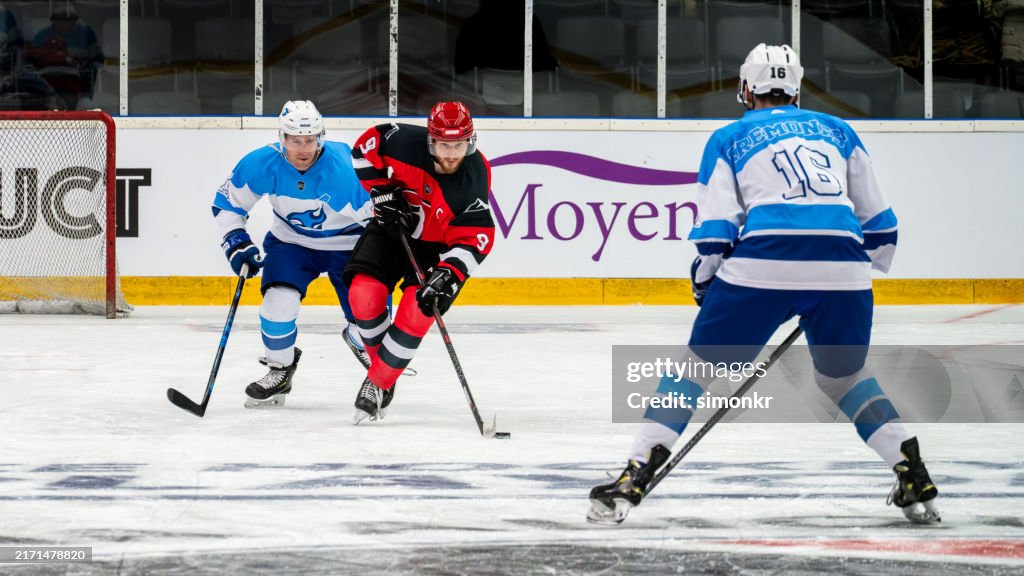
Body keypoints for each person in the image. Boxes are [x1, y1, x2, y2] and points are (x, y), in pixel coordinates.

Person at [587, 44, 940, 526]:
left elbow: (715, 231)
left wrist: (706, 280)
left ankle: (635, 473)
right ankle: (911, 469)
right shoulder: (839, 130)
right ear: (795, 87)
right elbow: (880, 224)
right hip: (845, 271)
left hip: (764, 266)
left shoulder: (730, 135)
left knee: (693, 369)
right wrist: (847, 270)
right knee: (844, 378)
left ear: (747, 87)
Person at [212, 100, 373, 409]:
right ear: (282, 138)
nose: (303, 148)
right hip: (292, 242)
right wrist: (236, 241)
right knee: (276, 306)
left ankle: (365, 348)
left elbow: (378, 218)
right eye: (295, 140)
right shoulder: (261, 165)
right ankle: (280, 368)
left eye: (310, 139)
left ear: (320, 137)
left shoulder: (346, 170)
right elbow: (228, 205)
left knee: (370, 317)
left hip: (350, 243)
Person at [344, 101, 495, 424]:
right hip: (393, 228)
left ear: (470, 141)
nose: (452, 153)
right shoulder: (401, 141)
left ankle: (378, 381)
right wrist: (381, 192)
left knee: (417, 308)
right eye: (444, 144)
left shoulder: (474, 178)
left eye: (459, 144)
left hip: (438, 248)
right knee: (363, 296)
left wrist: (449, 275)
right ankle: (385, 370)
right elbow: (362, 150)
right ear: (431, 140)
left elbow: (477, 238)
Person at [25, 3, 102, 110]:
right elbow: (29, 61)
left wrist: (87, 73)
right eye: (60, 19)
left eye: (68, 20)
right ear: (53, 20)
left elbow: (97, 60)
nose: (63, 23)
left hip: (75, 85)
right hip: (46, 85)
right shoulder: (41, 36)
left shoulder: (86, 34)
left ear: (75, 20)